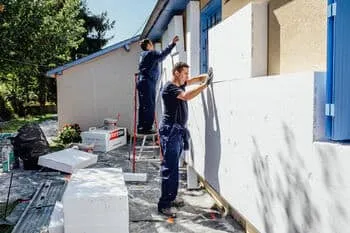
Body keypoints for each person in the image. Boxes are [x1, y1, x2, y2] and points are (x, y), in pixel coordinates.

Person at [157, 62, 214, 217]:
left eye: (187, 74)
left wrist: (205, 76)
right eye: (184, 74)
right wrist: (205, 86)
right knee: (169, 168)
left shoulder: (180, 84)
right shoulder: (170, 87)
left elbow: (192, 81)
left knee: (174, 167)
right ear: (176, 73)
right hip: (170, 132)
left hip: (176, 131)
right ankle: (164, 204)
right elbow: (187, 96)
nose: (187, 77)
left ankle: (171, 198)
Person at [137, 36, 179, 134]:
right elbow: (162, 55)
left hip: (141, 81)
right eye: (151, 44)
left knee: (143, 105)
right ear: (148, 45)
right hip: (148, 82)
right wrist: (172, 44)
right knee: (150, 105)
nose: (153, 47)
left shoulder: (142, 55)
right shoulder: (151, 53)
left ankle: (141, 127)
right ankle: (147, 128)